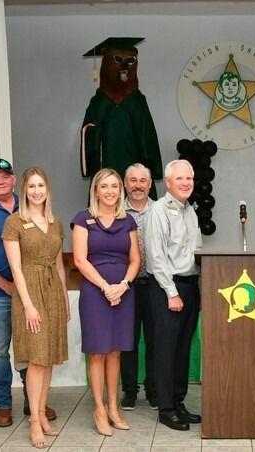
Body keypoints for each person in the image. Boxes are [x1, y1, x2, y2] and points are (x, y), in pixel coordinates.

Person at [0, 158, 57, 427]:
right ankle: (3, 404)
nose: (0, 181)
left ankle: (34, 402)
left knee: (32, 348)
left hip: (35, 292)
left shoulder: (28, 203)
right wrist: (6, 286)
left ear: (15, 180)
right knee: (0, 350)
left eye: (5, 176)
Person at [2, 167, 69, 449]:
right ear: (24, 190)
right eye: (31, 186)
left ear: (47, 190)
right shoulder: (14, 222)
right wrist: (28, 305)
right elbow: (15, 269)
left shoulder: (56, 223)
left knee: (48, 357)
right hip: (29, 291)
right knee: (36, 359)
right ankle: (33, 421)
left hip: (53, 290)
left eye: (41, 185)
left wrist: (64, 300)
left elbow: (59, 264)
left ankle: (42, 414)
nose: (37, 191)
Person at [72, 168, 140, 435]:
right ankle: (99, 409)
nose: (110, 191)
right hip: (94, 292)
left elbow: (135, 259)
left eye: (115, 186)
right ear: (96, 191)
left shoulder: (128, 222)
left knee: (115, 352)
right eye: (105, 186)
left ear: (120, 190)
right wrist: (105, 287)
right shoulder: (83, 219)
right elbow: (79, 260)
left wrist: (122, 286)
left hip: (123, 292)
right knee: (98, 351)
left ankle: (114, 406)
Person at [144, 159, 203, 431]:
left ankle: (179, 403)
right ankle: (166, 409)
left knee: (181, 351)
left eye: (189, 178)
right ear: (168, 183)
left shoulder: (190, 211)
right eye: (179, 179)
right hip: (169, 288)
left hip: (190, 287)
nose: (185, 183)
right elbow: (156, 257)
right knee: (166, 351)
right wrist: (171, 292)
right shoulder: (158, 210)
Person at [120, 163, 157, 411]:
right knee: (128, 341)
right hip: (126, 286)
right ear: (125, 184)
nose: (138, 185)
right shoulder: (116, 211)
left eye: (142, 181)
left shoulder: (161, 210)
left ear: (150, 184)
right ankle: (130, 391)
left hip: (155, 285)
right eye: (133, 180)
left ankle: (154, 390)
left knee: (156, 340)